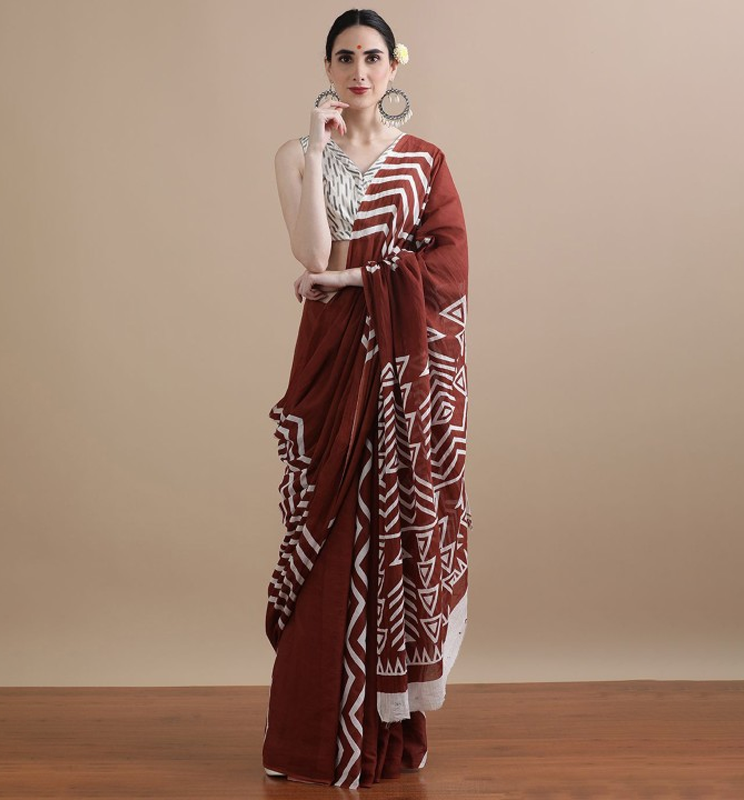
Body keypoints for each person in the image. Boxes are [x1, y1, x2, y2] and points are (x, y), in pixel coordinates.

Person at [262, 8, 473, 789]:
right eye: (345, 57)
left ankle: (384, 736)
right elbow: (311, 252)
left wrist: (358, 278)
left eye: (373, 57)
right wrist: (320, 150)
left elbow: (448, 268)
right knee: (325, 532)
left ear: (393, 67)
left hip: (399, 368)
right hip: (333, 359)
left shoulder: (424, 162)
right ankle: (309, 741)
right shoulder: (296, 154)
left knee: (388, 531)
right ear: (328, 68)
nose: (360, 71)